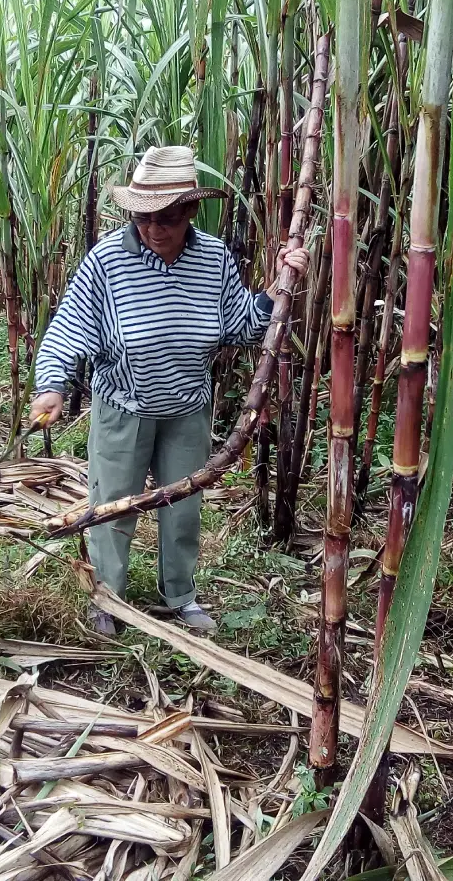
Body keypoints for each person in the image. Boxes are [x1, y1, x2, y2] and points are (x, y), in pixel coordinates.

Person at [31, 145, 308, 635]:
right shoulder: (107, 261)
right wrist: (53, 384)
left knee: (182, 507)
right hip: (124, 404)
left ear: (189, 213)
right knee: (112, 504)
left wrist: (278, 287)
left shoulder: (214, 259)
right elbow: (71, 325)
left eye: (166, 219)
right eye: (143, 219)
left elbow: (241, 326)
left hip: (187, 407)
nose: (153, 230)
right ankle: (108, 599)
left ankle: (180, 595)